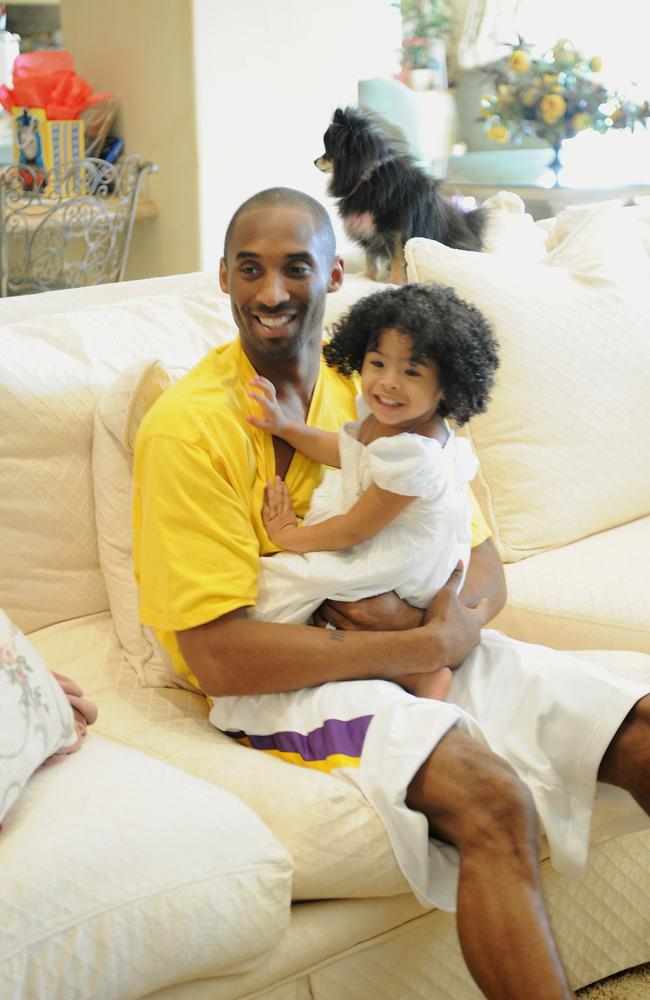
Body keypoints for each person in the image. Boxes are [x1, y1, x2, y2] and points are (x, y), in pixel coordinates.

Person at [132, 186, 650, 1000]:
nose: (273, 293)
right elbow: (219, 657)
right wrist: (421, 644)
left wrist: (430, 630)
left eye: (296, 268)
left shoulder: (382, 379)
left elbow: (483, 572)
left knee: (644, 731)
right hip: (287, 689)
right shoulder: (188, 428)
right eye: (251, 270)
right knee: (491, 798)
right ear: (224, 281)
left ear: (336, 275)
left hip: (418, 642)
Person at [247, 282, 499, 701]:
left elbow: (354, 531)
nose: (388, 382)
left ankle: (417, 673)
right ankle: (410, 672)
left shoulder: (412, 453)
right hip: (393, 540)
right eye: (377, 363)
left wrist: (290, 536)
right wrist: (286, 426)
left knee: (279, 585)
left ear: (447, 387)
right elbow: (346, 450)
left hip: (409, 563)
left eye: (412, 372)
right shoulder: (390, 420)